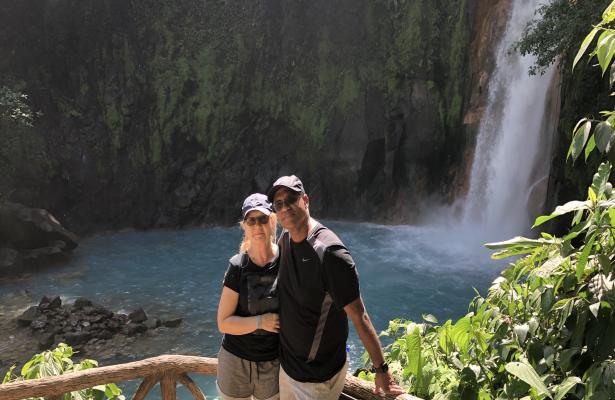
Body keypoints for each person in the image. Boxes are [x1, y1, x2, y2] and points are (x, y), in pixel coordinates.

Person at [267, 175, 405, 399]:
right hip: (288, 369)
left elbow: (360, 316)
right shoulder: (285, 239)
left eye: (291, 199)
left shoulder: (330, 253)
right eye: (278, 204)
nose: (285, 208)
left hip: (316, 379)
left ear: (305, 200)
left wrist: (381, 370)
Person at [216, 193, 281, 400]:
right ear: (244, 226)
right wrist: (260, 322)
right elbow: (223, 323)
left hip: (272, 363)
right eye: (251, 220)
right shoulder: (238, 266)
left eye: (262, 219)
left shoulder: (286, 261)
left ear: (272, 221)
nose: (257, 226)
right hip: (235, 362)